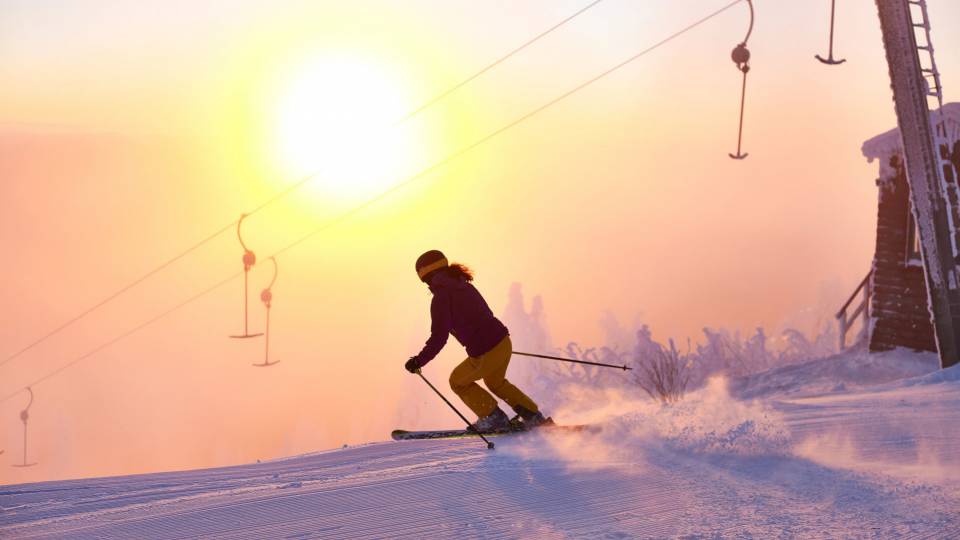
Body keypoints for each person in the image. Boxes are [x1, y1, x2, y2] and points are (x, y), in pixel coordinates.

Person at [404, 250, 548, 432]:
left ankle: (493, 418)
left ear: (425, 275)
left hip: (485, 352)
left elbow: (439, 337)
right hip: (503, 343)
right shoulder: (463, 285)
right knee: (496, 383)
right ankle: (534, 417)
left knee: (457, 381)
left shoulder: (441, 298)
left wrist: (419, 360)